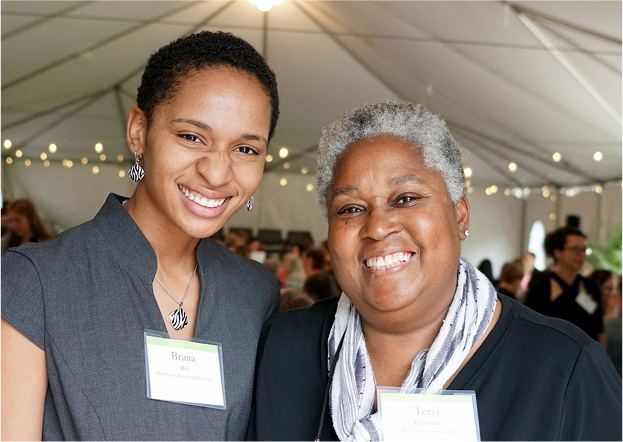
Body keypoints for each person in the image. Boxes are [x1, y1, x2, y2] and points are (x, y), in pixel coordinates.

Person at [249, 101, 623, 441]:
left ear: (460, 215)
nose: (378, 227)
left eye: (406, 199)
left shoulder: (564, 370)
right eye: (350, 208)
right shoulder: (284, 348)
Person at [0, 31, 280, 441]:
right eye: (191, 136)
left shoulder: (254, 293)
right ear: (138, 132)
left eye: (246, 149)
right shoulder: (35, 282)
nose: (217, 173)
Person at [525, 227, 605, 344]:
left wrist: (601, 359)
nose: (581, 255)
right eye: (575, 249)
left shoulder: (590, 286)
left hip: (586, 354)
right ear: (558, 253)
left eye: (583, 250)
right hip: (552, 352)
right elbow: (530, 328)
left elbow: (599, 328)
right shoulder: (541, 287)